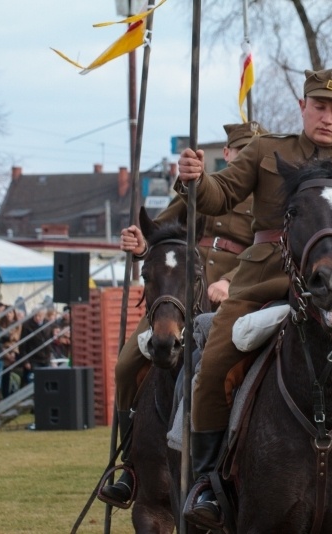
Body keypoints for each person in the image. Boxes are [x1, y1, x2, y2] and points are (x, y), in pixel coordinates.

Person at [176, 67, 332, 533]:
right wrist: (194, 179)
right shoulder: (267, 150)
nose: (328, 118)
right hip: (267, 277)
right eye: (320, 107)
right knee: (213, 365)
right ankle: (207, 483)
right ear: (304, 107)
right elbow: (220, 195)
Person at [98, 121, 268, 507]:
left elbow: (271, 254)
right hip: (178, 295)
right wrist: (140, 245)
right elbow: (162, 235)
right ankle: (131, 466)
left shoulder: (269, 200)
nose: (246, 160)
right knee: (127, 364)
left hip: (240, 295)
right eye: (241, 152)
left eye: (254, 154)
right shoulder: (201, 192)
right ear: (227, 155)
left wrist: (230, 281)